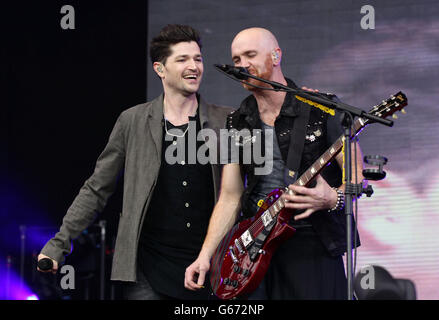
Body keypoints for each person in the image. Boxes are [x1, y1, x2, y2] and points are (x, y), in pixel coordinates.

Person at [38, 24, 233, 300]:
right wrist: (59, 243)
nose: (194, 66)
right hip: (147, 270)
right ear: (160, 69)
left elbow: (246, 191)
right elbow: (97, 188)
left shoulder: (226, 121)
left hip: (211, 265)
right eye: (182, 59)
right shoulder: (132, 121)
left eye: (197, 59)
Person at [184, 27, 365, 299]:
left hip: (310, 239)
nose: (243, 65)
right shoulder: (238, 121)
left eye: (250, 55)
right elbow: (230, 197)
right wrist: (205, 256)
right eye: (236, 59)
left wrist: (333, 198)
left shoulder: (321, 107)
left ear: (276, 55)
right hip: (254, 249)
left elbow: (357, 179)